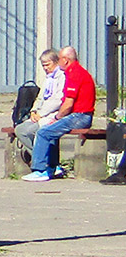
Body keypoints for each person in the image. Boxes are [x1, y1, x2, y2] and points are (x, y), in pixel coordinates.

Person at [24, 45, 97, 181]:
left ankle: (40, 170)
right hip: (77, 115)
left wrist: (57, 118)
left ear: (66, 60)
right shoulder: (72, 72)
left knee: (43, 132)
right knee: (49, 131)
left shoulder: (75, 73)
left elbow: (68, 104)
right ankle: (52, 167)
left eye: (58, 59)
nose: (57, 61)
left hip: (80, 116)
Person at [14, 48, 66, 167]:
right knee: (20, 130)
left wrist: (41, 114)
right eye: (43, 66)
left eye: (48, 65)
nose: (46, 68)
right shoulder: (48, 79)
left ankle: (46, 163)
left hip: (54, 114)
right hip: (40, 114)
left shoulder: (61, 76)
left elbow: (58, 100)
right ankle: (44, 159)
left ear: (56, 62)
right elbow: (40, 97)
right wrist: (34, 111)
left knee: (33, 131)